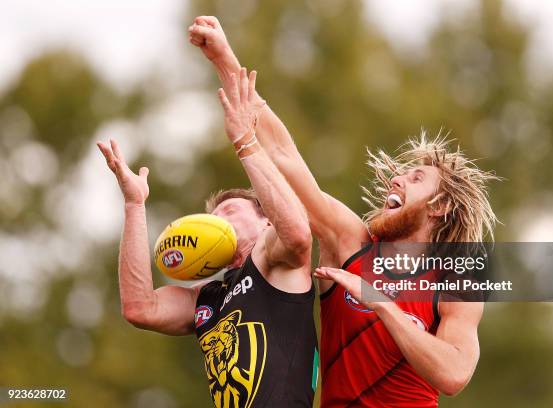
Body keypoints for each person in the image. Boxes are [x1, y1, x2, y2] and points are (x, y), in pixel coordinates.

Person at [189, 16, 498, 407]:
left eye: (416, 178)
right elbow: (285, 155)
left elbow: (453, 374)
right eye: (400, 174)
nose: (397, 181)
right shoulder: (350, 242)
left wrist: (381, 303)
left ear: (440, 206)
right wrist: (225, 61)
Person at [97, 70, 317, 407]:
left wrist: (246, 142)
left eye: (229, 210)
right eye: (212, 219)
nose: (216, 221)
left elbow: (298, 233)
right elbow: (140, 307)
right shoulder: (207, 298)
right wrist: (134, 205)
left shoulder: (274, 258)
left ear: (266, 221)